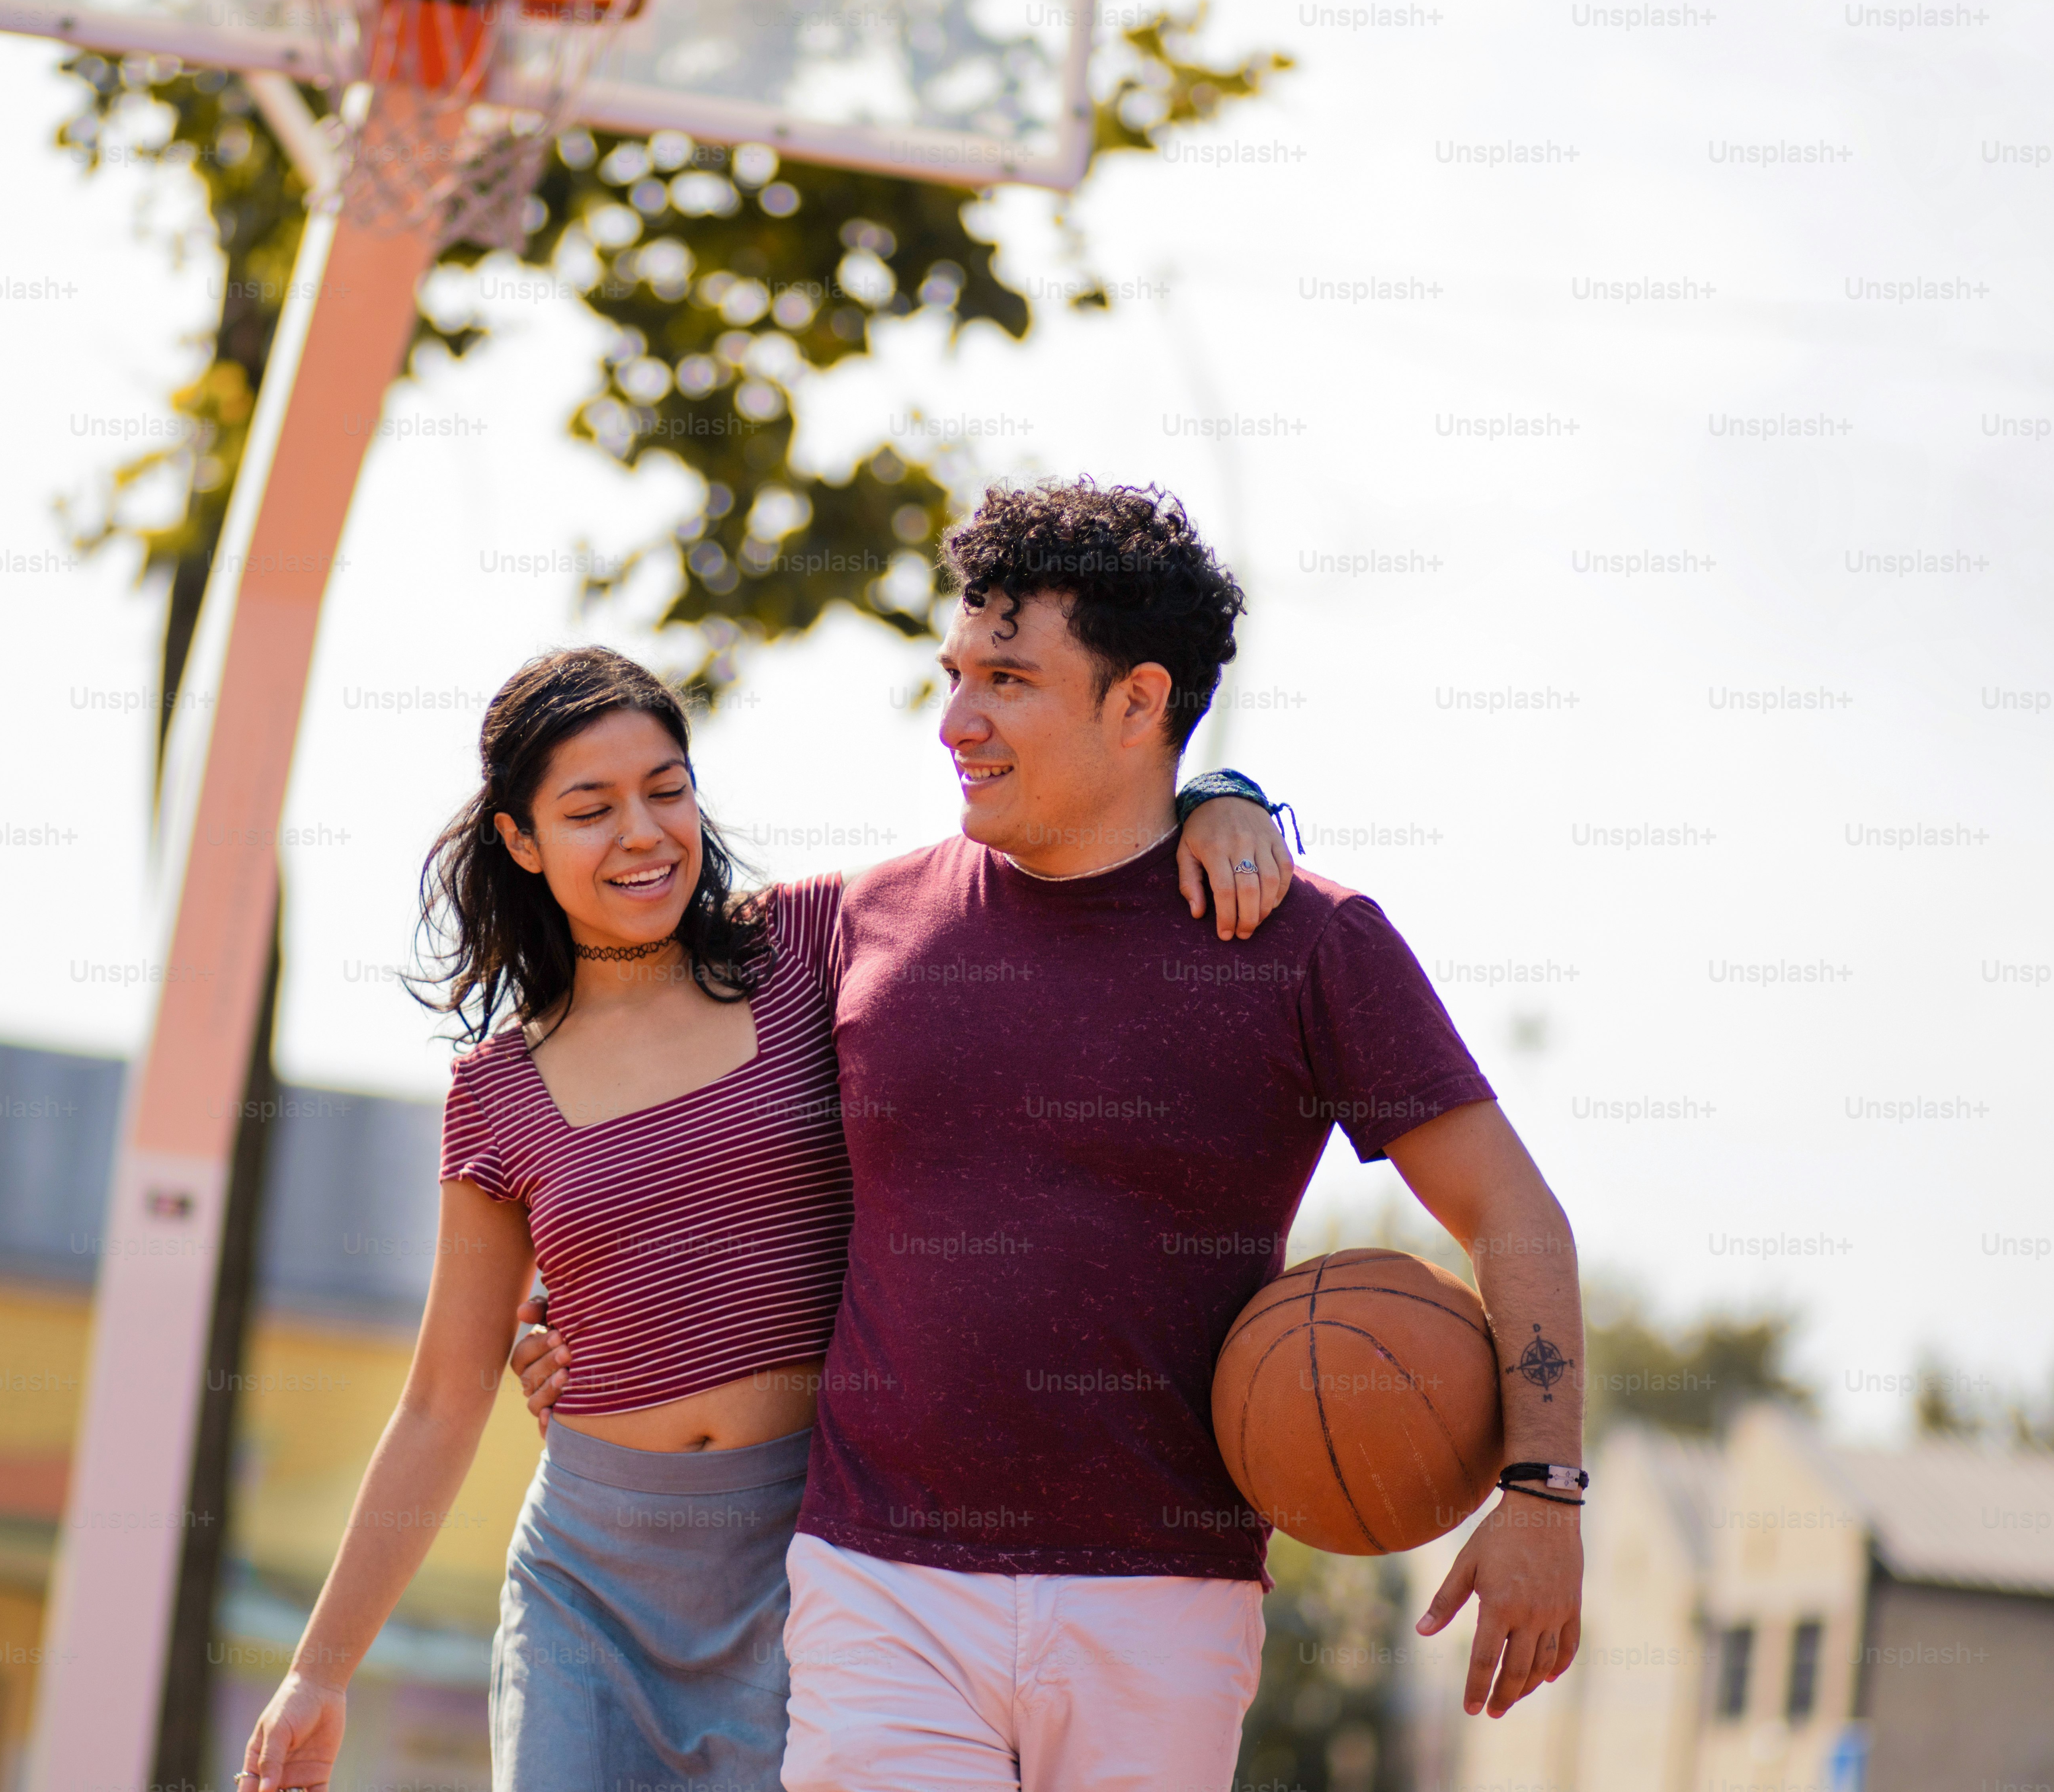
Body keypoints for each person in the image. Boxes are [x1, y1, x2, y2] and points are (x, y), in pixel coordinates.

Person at [514, 478, 1587, 1792]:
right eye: (954, 672)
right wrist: (580, 1277)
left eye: (1007, 681)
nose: (955, 721)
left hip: (1166, 1600)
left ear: (1140, 703)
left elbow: (1512, 1215)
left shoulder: (1310, 943)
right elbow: (643, 1037)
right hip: (877, 1581)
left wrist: (1542, 1488)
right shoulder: (852, 924)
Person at [237, 643, 1296, 1792]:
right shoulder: (493, 1093)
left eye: (666, 789)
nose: (642, 834)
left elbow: (1033, 850)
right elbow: (441, 1401)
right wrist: (322, 1673)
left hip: (810, 1561)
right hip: (587, 1583)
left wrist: (1217, 799)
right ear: (522, 842)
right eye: (589, 809)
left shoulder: (806, 948)